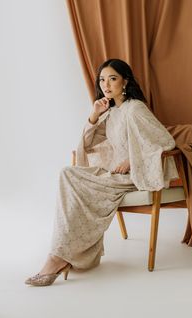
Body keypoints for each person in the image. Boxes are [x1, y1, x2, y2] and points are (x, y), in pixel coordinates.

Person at [25, 58, 178, 287]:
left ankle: (57, 259)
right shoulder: (113, 112)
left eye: (113, 79)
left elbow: (165, 141)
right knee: (68, 174)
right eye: (102, 80)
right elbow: (87, 143)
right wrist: (94, 115)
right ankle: (64, 256)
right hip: (114, 176)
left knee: (69, 176)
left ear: (125, 81)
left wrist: (131, 160)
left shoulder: (135, 109)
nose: (106, 84)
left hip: (131, 177)